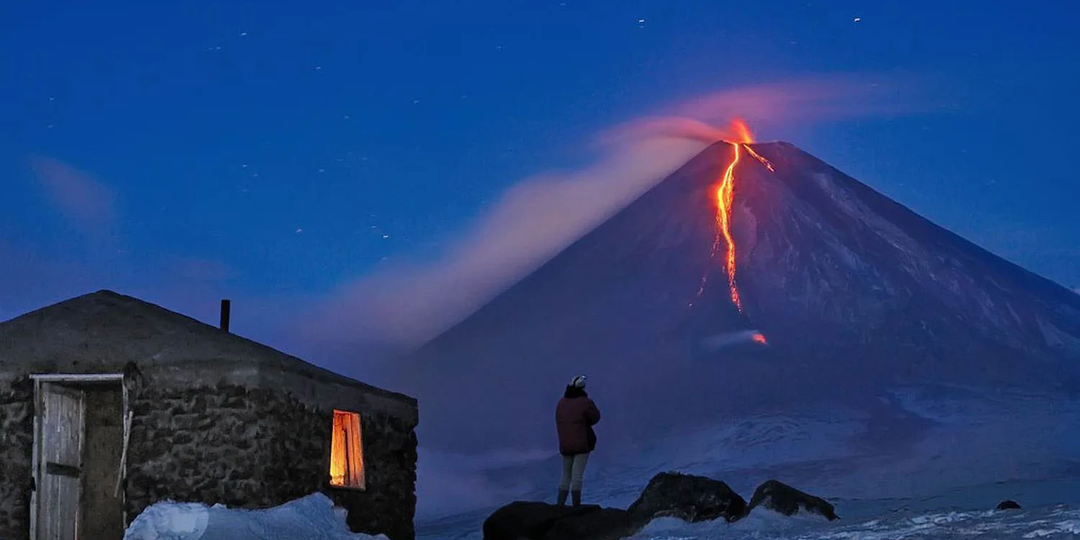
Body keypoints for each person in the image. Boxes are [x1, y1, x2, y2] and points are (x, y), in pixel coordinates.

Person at [554, 374, 601, 506]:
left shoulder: (561, 403)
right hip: (581, 444)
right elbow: (595, 417)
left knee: (565, 475)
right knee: (577, 476)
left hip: (564, 445)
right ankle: (576, 505)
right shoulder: (585, 403)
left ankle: (560, 504)